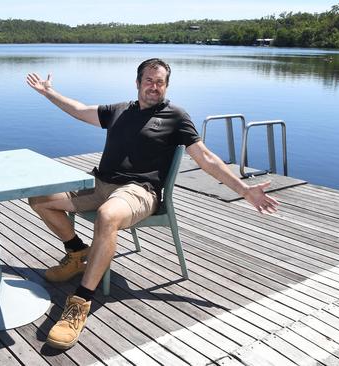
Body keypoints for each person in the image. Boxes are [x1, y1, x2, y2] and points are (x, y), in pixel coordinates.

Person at [26, 58, 278, 350]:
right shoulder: (119, 111)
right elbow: (80, 111)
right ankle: (76, 251)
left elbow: (206, 158)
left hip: (139, 191)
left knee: (107, 216)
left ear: (166, 86)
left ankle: (80, 302)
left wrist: (245, 190)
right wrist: (48, 92)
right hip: (100, 183)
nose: (154, 87)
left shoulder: (176, 117)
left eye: (160, 82)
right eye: (149, 80)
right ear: (137, 82)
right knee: (40, 198)